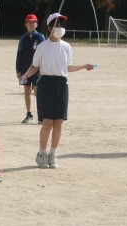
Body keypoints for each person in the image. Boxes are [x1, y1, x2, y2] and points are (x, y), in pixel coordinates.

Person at [22, 13, 94, 169]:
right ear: (49, 28)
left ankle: (53, 153)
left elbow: (68, 67)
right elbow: (35, 66)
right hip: (46, 84)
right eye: (57, 25)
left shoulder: (66, 47)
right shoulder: (42, 47)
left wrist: (83, 66)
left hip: (61, 84)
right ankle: (42, 153)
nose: (60, 28)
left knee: (59, 122)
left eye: (62, 25)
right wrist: (25, 76)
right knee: (47, 121)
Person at [16, 14, 45, 124]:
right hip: (25, 70)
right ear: (26, 24)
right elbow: (19, 55)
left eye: (34, 22)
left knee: (38, 93)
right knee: (27, 91)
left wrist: (42, 69)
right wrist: (18, 70)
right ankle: (29, 114)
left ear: (36, 24)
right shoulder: (23, 39)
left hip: (38, 71)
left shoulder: (41, 37)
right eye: (29, 22)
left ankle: (41, 116)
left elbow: (44, 54)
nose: (32, 24)